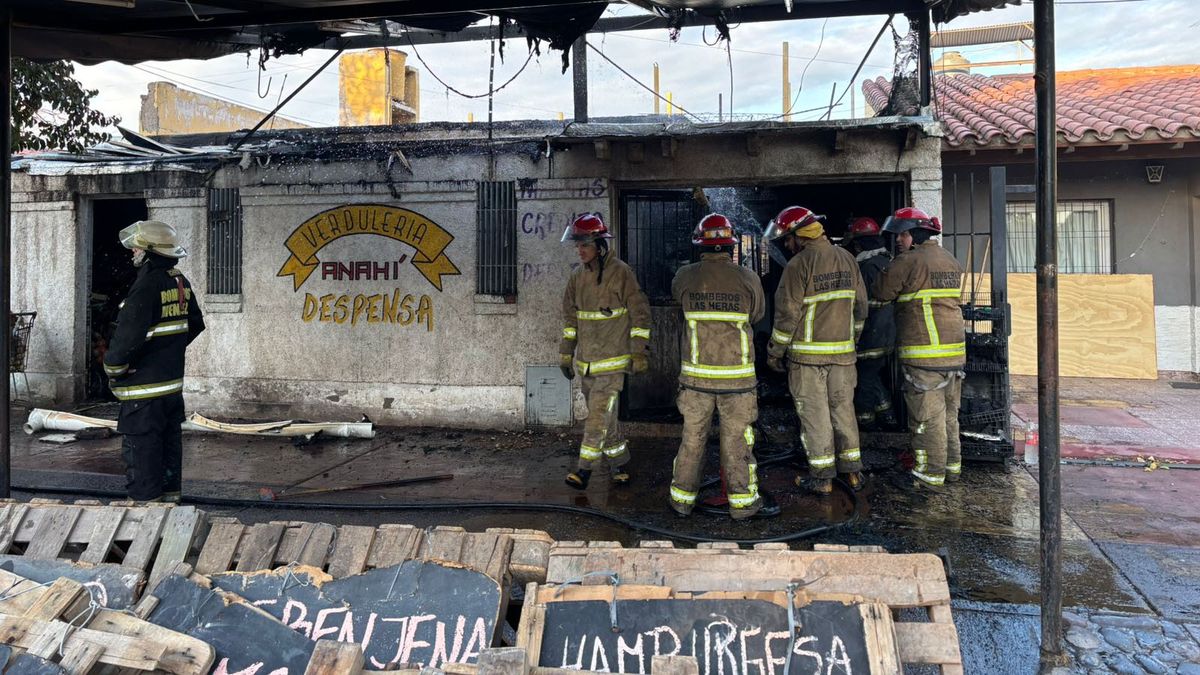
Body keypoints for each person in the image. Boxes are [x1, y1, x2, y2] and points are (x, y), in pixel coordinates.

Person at [667, 214, 780, 520]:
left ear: (700, 246)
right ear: (730, 246)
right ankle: (742, 507)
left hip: (695, 381)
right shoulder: (748, 278)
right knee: (737, 443)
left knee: (692, 440)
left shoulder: (685, 277)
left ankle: (681, 502)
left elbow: (678, 302)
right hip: (737, 381)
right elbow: (757, 316)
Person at [765, 206, 868, 495]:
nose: (786, 245)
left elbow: (787, 315)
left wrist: (775, 351)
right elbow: (860, 307)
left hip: (808, 358)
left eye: (788, 239)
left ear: (801, 236)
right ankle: (853, 474)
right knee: (843, 411)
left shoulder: (798, 265)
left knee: (815, 415)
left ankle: (822, 478)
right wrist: (853, 339)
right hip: (844, 357)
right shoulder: (848, 259)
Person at [102, 220, 205, 503]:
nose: (132, 252)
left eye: (136, 248)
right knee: (167, 456)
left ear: (149, 251)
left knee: (144, 460)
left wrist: (114, 370)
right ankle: (170, 512)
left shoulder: (146, 286)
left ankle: (145, 521)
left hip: (143, 397)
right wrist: (166, 351)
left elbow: (125, 341)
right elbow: (194, 324)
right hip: (171, 390)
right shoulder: (179, 281)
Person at [872, 207, 966, 491]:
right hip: (954, 353)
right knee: (949, 415)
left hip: (925, 353)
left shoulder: (910, 261)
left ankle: (928, 476)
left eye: (902, 235)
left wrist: (889, 267)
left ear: (915, 235)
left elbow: (881, 291)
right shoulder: (949, 260)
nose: (899, 240)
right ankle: (952, 468)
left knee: (927, 418)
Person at [559, 213, 652, 489]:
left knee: (597, 415)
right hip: (587, 363)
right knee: (606, 417)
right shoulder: (576, 278)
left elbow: (640, 313)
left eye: (585, 245)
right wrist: (566, 354)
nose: (580, 250)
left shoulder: (621, 272)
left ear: (600, 246)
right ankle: (619, 463)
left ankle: (584, 470)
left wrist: (639, 352)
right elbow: (569, 320)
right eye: (577, 245)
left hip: (613, 361)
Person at [843, 217, 898, 430]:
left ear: (859, 244)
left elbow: (860, 305)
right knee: (872, 375)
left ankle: (867, 424)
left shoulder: (865, 267)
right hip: (886, 334)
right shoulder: (888, 262)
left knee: (864, 380)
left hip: (870, 334)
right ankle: (888, 416)